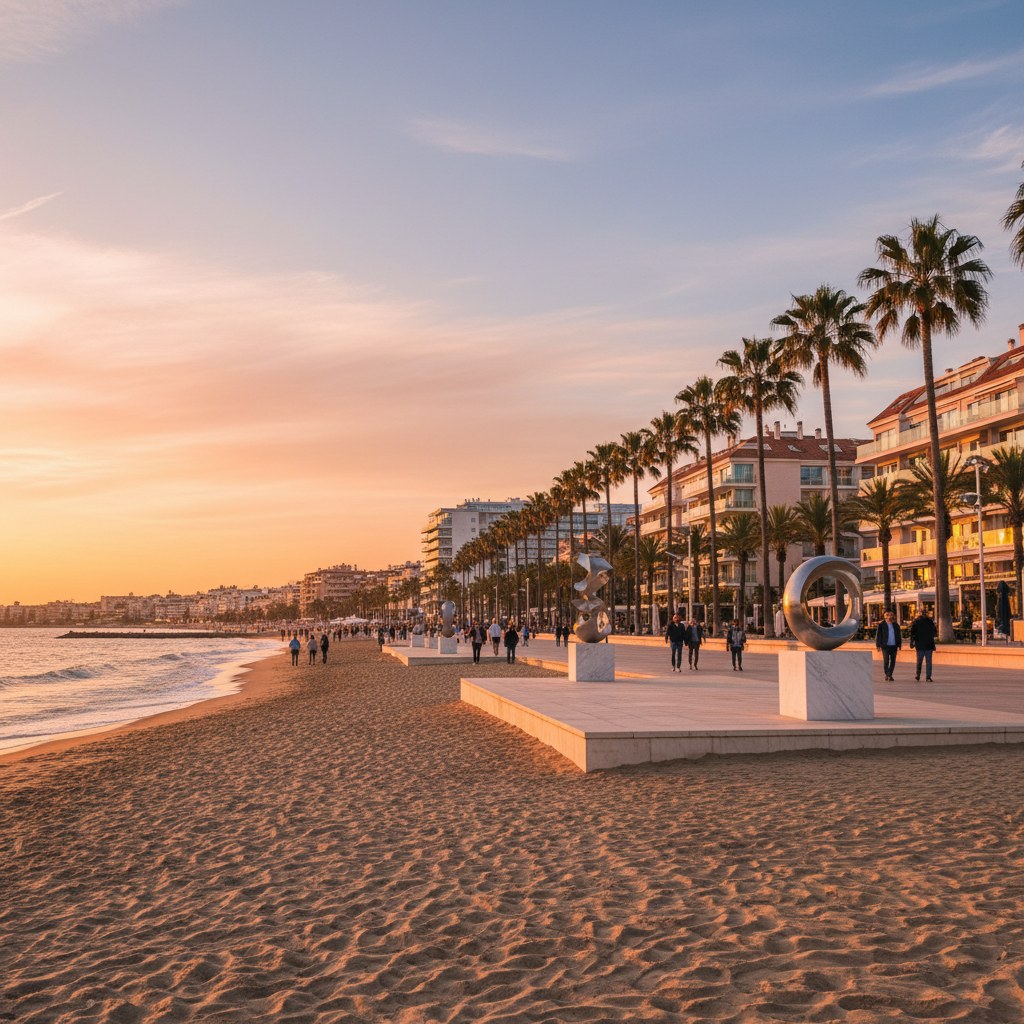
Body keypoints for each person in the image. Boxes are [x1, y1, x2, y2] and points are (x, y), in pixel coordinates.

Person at [909, 608, 938, 682]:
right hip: (928, 644)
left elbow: (912, 633)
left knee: (920, 661)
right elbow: (934, 632)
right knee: (928, 662)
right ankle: (927, 677)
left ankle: (918, 675)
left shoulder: (916, 622)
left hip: (920, 645)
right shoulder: (930, 622)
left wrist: (912, 642)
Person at [875, 609, 902, 681]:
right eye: (887, 615)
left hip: (894, 645)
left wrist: (899, 645)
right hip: (885, 646)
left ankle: (889, 674)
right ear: (884, 616)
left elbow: (899, 635)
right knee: (886, 661)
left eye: (890, 615)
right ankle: (888, 674)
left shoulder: (896, 625)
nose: (889, 616)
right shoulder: (881, 625)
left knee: (893, 661)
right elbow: (878, 636)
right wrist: (878, 645)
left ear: (892, 616)